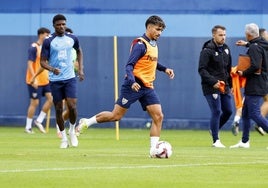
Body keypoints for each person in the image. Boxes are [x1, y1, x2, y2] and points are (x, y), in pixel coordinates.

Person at [76, 15, 175, 157]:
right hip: (133, 85)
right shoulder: (140, 44)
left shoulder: (153, 44)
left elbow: (152, 62)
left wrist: (165, 69)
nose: (159, 33)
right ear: (148, 27)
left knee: (158, 116)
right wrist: (133, 81)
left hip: (147, 87)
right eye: (157, 29)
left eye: (161, 30)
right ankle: (87, 122)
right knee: (115, 116)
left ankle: (153, 151)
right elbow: (129, 66)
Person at [40, 14, 84, 148]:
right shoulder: (49, 41)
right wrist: (52, 69)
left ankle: (72, 131)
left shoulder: (72, 38)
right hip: (55, 80)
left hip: (70, 78)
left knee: (72, 106)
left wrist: (80, 69)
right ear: (54, 26)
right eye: (59, 25)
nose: (62, 27)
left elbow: (79, 51)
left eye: (63, 24)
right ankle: (64, 138)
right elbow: (42, 62)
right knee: (58, 109)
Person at [230, 23, 268, 148]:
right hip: (259, 83)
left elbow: (255, 65)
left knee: (255, 114)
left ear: (247, 34)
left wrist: (243, 72)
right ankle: (245, 141)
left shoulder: (254, 47)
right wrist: (246, 44)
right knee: (245, 113)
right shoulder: (261, 43)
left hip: (255, 84)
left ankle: (245, 141)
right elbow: (258, 45)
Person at [198, 25, 233, 148]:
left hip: (225, 86)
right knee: (217, 111)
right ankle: (216, 140)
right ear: (213, 35)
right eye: (220, 35)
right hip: (211, 86)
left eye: (224, 35)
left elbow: (228, 69)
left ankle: (214, 128)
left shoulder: (226, 49)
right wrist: (213, 82)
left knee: (228, 111)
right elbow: (201, 70)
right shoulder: (207, 50)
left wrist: (231, 85)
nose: (223, 37)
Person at [25, 27, 53, 134]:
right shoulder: (34, 47)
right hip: (34, 80)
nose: (48, 37)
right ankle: (28, 127)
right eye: (46, 34)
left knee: (51, 99)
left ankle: (39, 120)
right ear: (41, 35)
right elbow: (29, 64)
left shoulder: (45, 48)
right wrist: (34, 78)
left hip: (45, 80)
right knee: (34, 103)